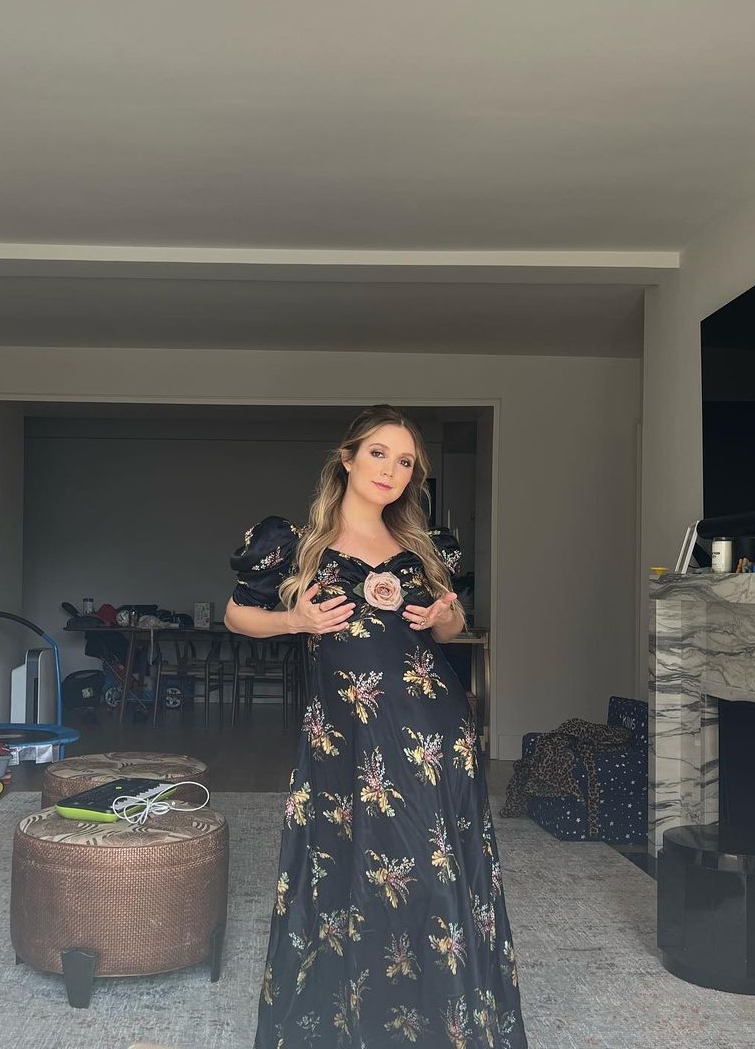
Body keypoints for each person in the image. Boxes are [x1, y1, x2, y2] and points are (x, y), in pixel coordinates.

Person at [225, 405, 527, 1049]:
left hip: (436, 736)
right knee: (353, 868)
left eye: (406, 461)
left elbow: (450, 631)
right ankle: (360, 1018)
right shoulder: (296, 545)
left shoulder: (423, 548)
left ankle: (439, 1021)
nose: (391, 470)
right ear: (348, 458)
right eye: (379, 453)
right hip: (348, 742)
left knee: (430, 871)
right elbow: (236, 615)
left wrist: (444, 614)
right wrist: (295, 621)